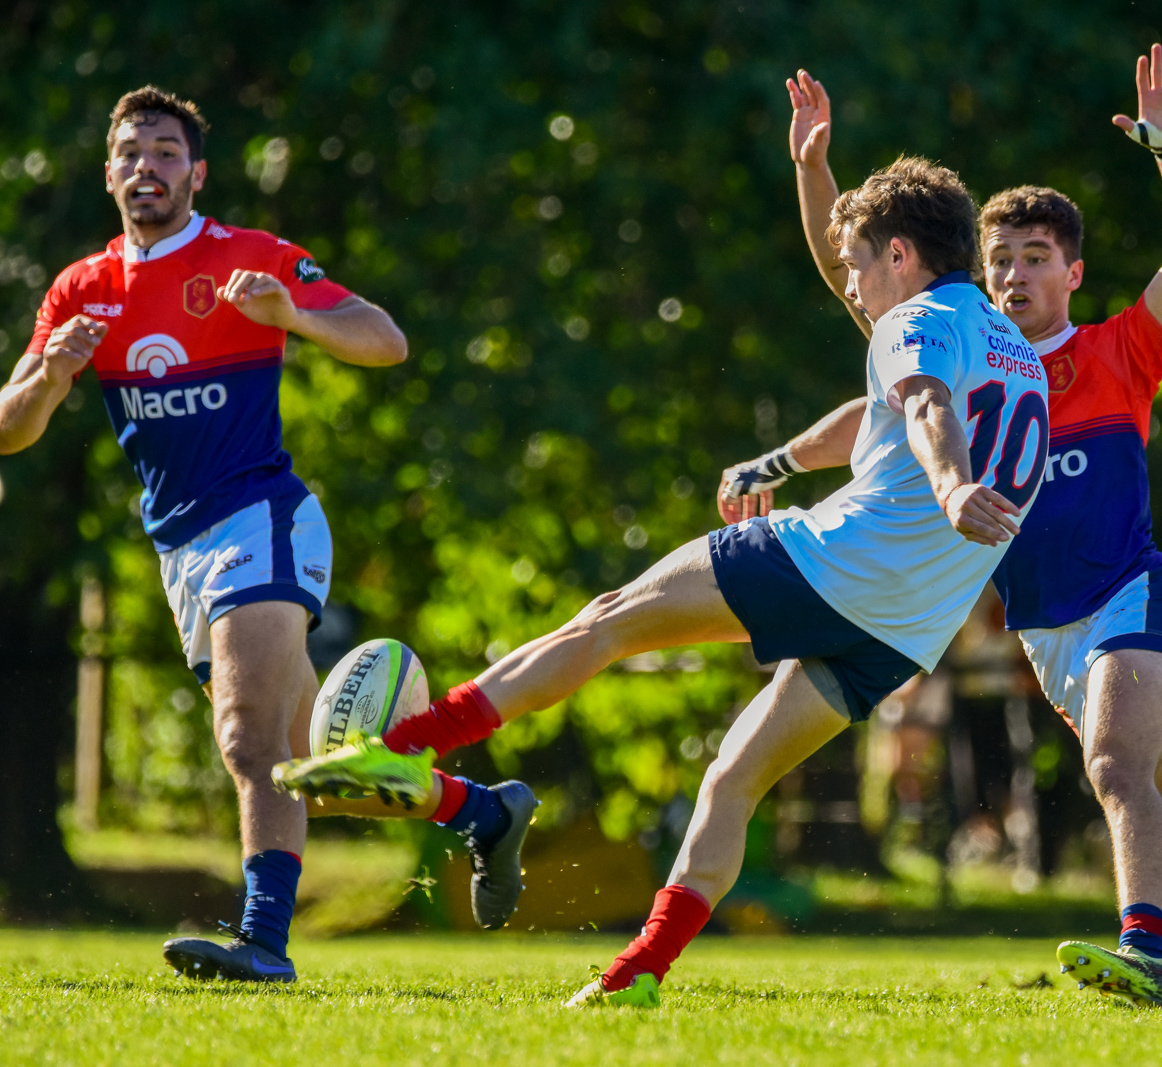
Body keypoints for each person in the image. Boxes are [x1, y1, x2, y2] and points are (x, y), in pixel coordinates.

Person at [724, 46, 1162, 1008]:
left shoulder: (1118, 352)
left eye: (1035, 258)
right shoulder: (958, 349)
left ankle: (1146, 956)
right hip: (1050, 638)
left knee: (1114, 766)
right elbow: (845, 266)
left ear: (1074, 271)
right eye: (1000, 261)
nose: (1015, 275)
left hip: (1133, 598)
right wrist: (814, 168)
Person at [272, 155, 1051, 1008]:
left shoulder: (919, 323)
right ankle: (634, 974)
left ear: (901, 255)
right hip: (903, 627)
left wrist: (950, 486)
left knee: (603, 623)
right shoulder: (1012, 347)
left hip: (833, 562)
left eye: (863, 264)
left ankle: (405, 744)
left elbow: (929, 405)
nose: (853, 286)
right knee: (734, 779)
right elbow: (884, 392)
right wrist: (811, 168)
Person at [0, 87, 536, 983]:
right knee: (318, 771)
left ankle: (264, 943)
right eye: (131, 153)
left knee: (248, 742)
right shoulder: (80, 290)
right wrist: (51, 376)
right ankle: (483, 812)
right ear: (107, 175)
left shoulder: (252, 258)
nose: (148, 168)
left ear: (197, 173)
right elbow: (10, 427)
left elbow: (386, 339)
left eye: (166, 152)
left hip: (265, 520)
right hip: (182, 550)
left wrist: (294, 318)